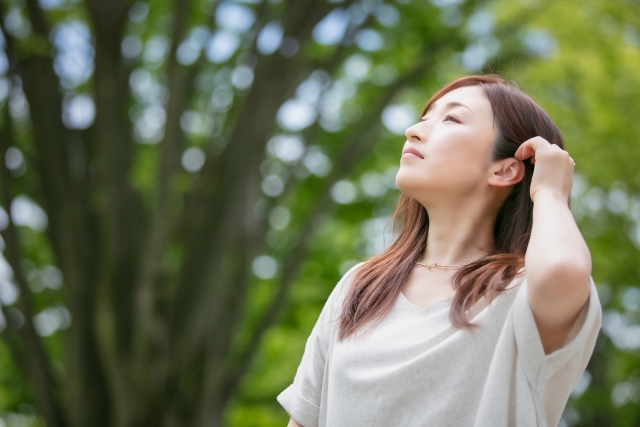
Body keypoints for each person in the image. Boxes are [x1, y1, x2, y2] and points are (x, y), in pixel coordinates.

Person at [277, 75, 602, 427]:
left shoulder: (520, 293)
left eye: (451, 118)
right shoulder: (361, 285)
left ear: (505, 169)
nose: (413, 131)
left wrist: (551, 193)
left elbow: (565, 272)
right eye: (425, 117)